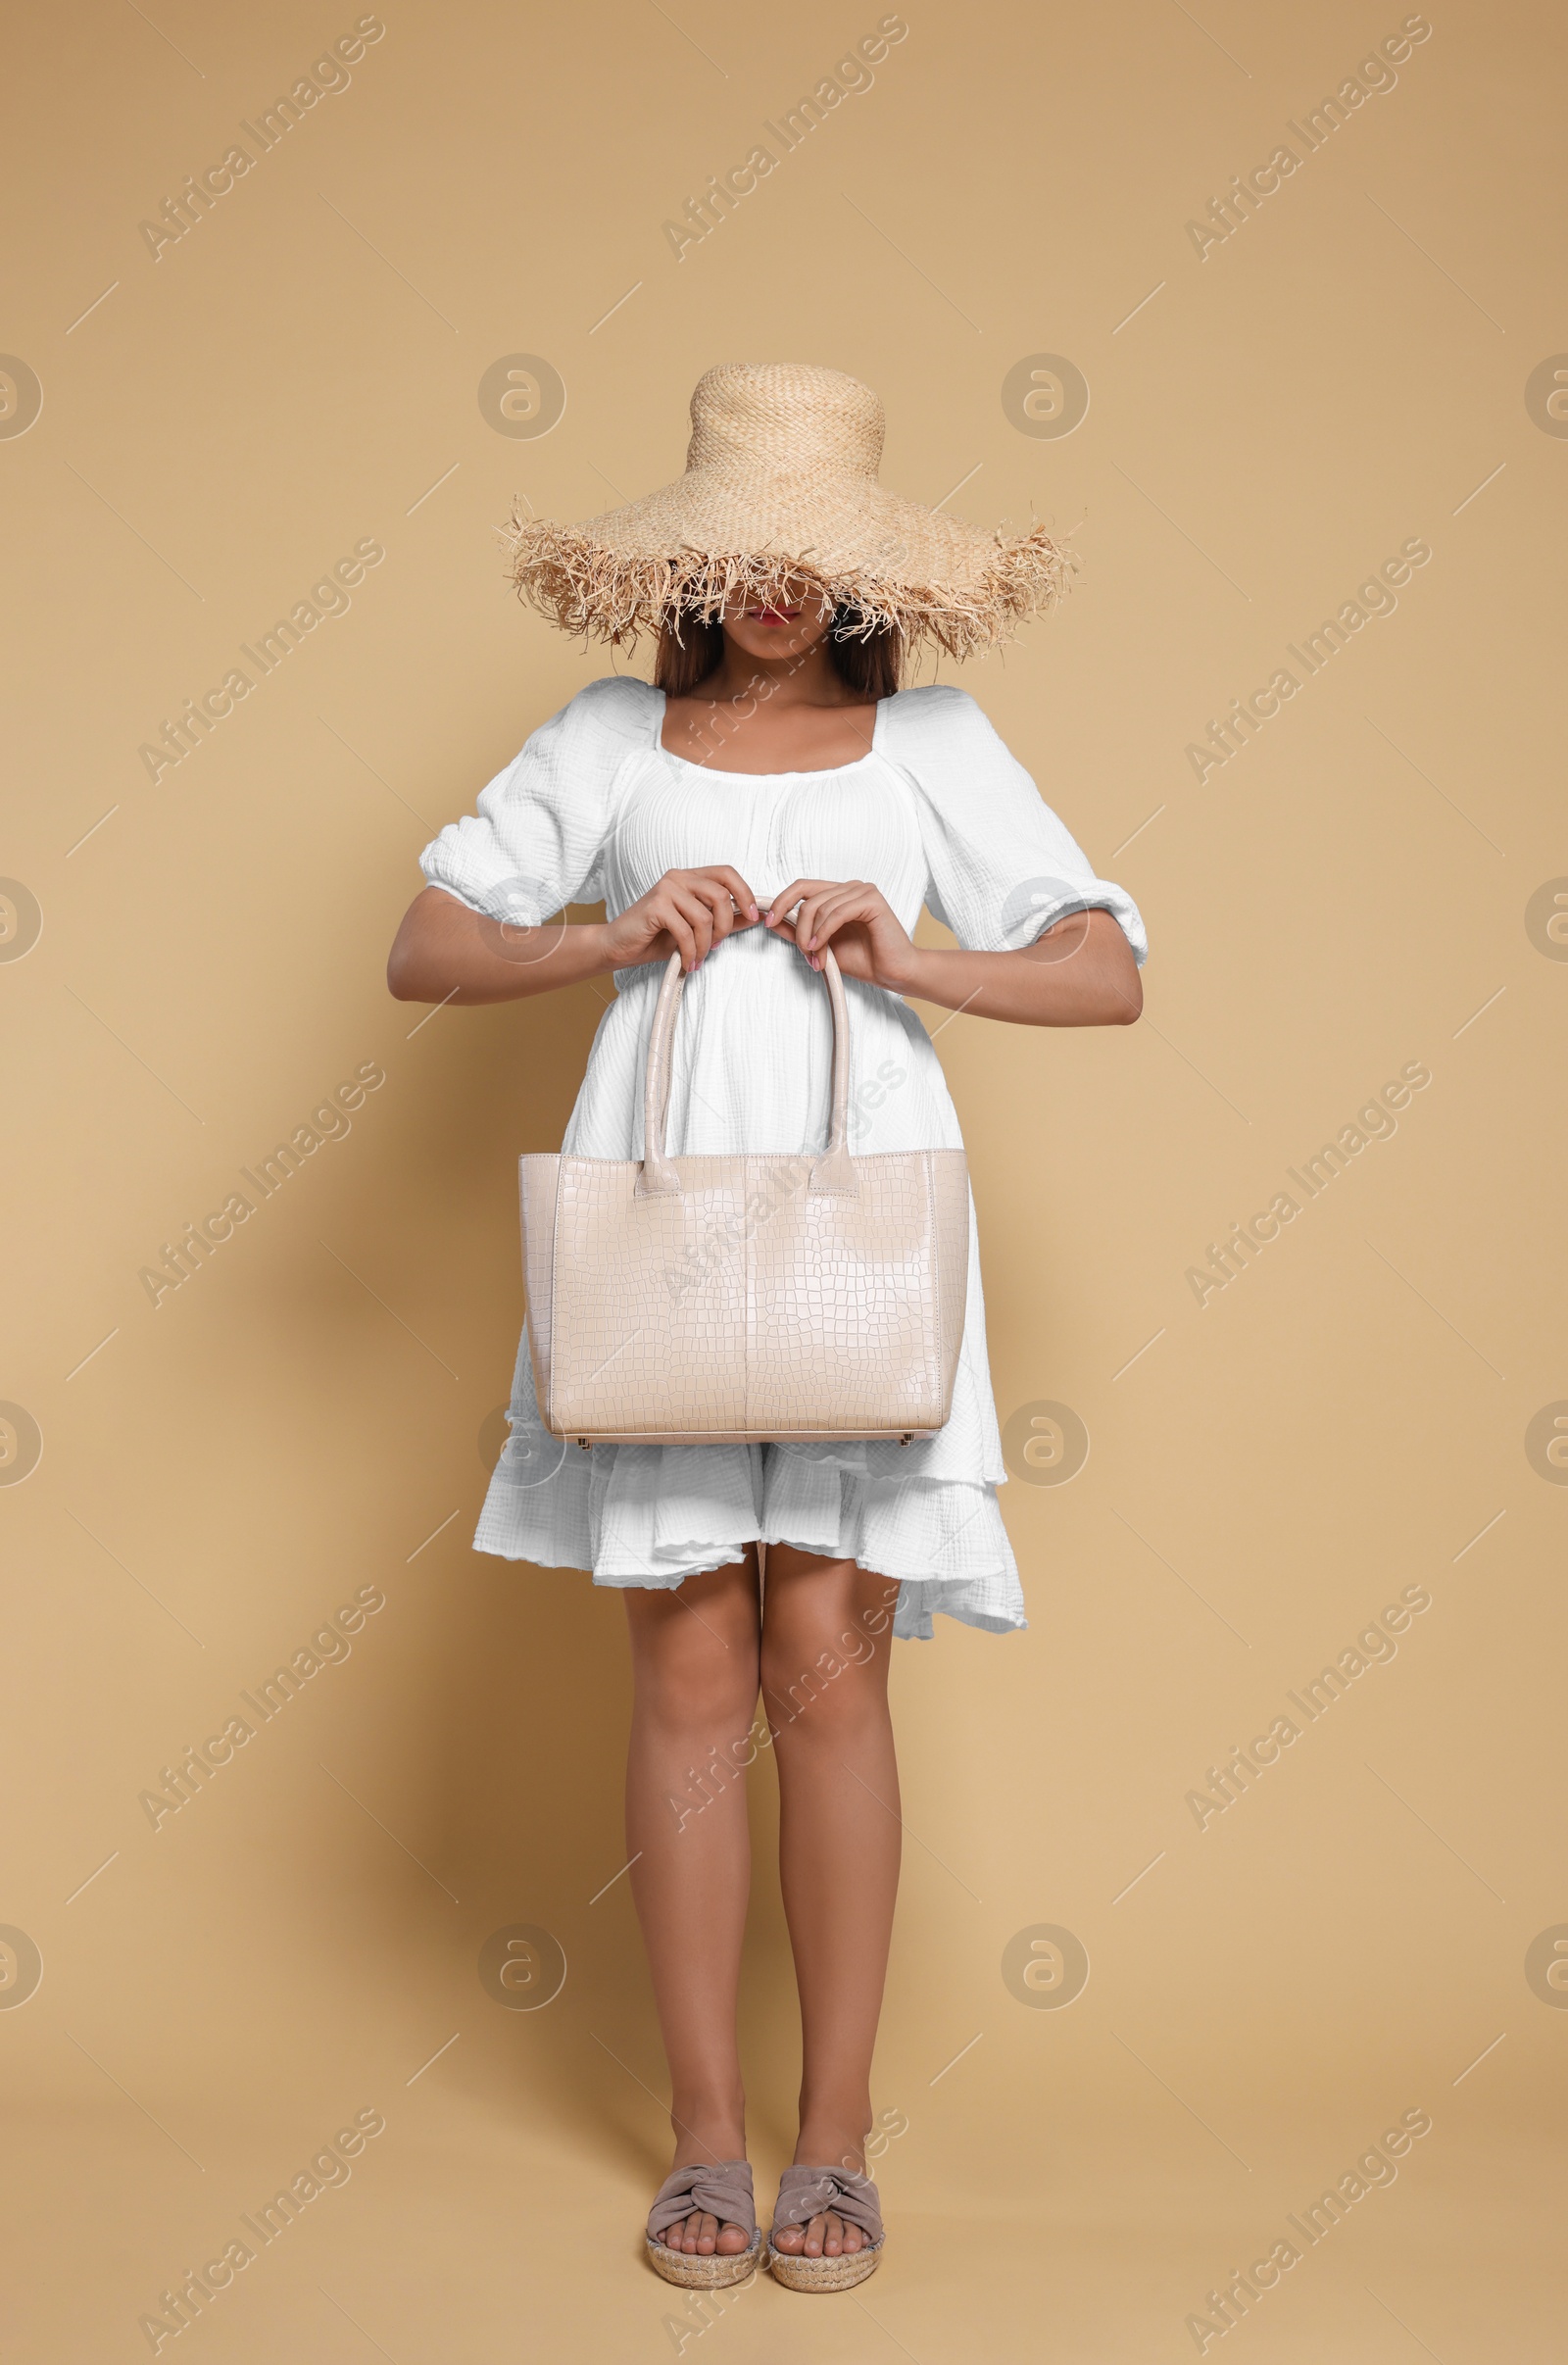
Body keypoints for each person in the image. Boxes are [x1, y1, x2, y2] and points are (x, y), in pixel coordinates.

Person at [387, 363, 1147, 2292]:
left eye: (811, 557)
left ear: (866, 574)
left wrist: (917, 955)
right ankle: (704, 2143)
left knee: (828, 1658)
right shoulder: (610, 733)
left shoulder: (935, 746)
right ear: (687, 563)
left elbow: (1104, 970)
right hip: (659, 1231)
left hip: (855, 1224)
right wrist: (601, 934)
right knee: (689, 1670)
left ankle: (837, 2139)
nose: (773, 590)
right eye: (739, 551)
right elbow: (427, 944)